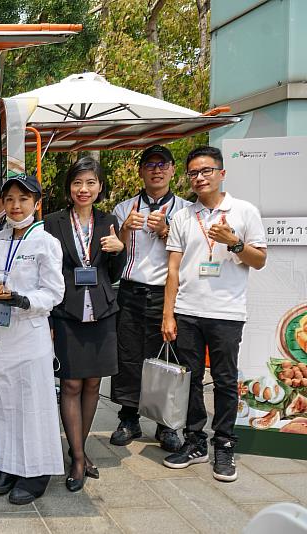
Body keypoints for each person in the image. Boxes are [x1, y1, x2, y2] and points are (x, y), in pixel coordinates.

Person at [161, 146, 266, 482]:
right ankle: (195, 440)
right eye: (193, 172)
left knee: (223, 380)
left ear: (221, 173)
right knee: (188, 380)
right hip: (188, 310)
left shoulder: (244, 211)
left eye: (206, 170)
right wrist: (168, 314)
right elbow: (173, 270)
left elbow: (260, 260)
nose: (200, 177)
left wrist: (234, 243)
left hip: (226, 312)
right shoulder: (181, 216)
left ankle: (224, 443)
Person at [0, 173, 65, 505]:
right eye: (10, 199)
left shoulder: (46, 242)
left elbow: (54, 292)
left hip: (29, 332)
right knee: (1, 400)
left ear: (36, 203)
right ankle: (8, 465)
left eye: (23, 200)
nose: (16, 206)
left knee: (32, 403)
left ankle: (36, 473)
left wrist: (25, 300)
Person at [44, 157, 126, 493]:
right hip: (68, 311)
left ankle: (80, 448)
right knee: (72, 385)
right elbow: (45, 272)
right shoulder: (52, 223)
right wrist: (49, 318)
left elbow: (116, 272)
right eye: (78, 183)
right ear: (69, 188)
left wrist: (120, 249)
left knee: (93, 384)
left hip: (103, 311)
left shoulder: (109, 221)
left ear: (100, 187)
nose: (84, 189)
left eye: (91, 182)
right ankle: (77, 458)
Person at [110, 145, 191, 452]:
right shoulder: (124, 208)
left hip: (166, 293)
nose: (157, 170)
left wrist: (167, 232)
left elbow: (189, 255)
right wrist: (126, 231)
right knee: (128, 355)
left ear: (172, 170)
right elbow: (113, 252)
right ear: (141, 171)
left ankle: (166, 424)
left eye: (163, 164)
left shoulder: (185, 210)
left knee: (165, 357)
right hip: (130, 290)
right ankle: (128, 418)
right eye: (150, 165)